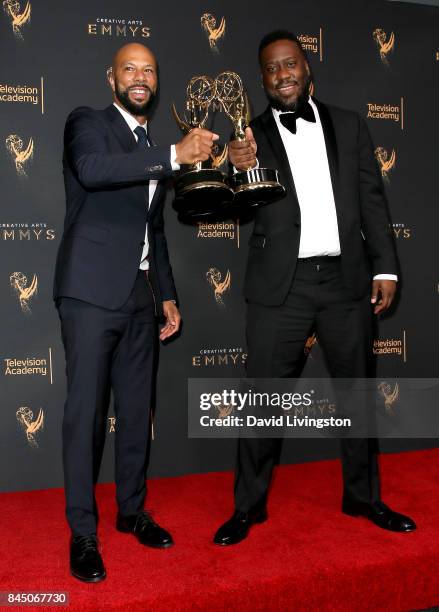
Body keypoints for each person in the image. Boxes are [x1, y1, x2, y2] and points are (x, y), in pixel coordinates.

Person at [214, 30, 416, 546]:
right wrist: (237, 172)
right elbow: (234, 209)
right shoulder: (249, 137)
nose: (282, 74)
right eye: (272, 68)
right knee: (261, 399)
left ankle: (364, 497)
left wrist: (385, 268)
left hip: (346, 282)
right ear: (263, 78)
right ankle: (248, 507)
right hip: (281, 285)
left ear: (307, 67)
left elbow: (373, 200)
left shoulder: (349, 125)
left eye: (290, 64)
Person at [54, 42, 218, 581]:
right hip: (90, 292)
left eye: (149, 69)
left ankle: (131, 512)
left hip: (140, 295)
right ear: (112, 78)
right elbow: (94, 169)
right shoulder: (90, 124)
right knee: (86, 416)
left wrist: (166, 292)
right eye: (130, 68)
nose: (140, 76)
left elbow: (154, 229)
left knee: (135, 410)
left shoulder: (150, 142)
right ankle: (83, 532)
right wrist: (173, 156)